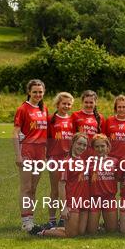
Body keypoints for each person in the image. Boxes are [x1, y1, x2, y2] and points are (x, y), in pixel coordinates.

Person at [30, 133, 90, 237]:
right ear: (72, 143)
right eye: (79, 144)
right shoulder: (66, 162)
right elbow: (61, 185)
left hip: (83, 202)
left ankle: (54, 228)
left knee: (81, 232)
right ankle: (41, 232)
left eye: (84, 145)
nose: (82, 147)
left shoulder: (82, 161)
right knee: (71, 234)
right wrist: (64, 207)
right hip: (72, 202)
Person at [13, 79, 48, 231]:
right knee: (26, 188)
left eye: (40, 92)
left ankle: (31, 219)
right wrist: (18, 155)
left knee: (34, 188)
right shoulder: (23, 109)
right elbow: (15, 133)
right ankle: (25, 221)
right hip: (27, 150)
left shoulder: (44, 108)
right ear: (29, 92)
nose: (38, 94)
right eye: (35, 92)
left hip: (40, 152)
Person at [46, 92, 74, 228]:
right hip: (55, 158)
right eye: (64, 103)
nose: (66, 106)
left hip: (68, 159)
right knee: (55, 190)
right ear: (58, 104)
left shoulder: (72, 120)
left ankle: (64, 217)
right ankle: (51, 219)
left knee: (67, 190)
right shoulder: (51, 119)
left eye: (69, 104)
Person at [87, 134, 119, 234]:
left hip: (109, 198)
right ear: (93, 148)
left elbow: (120, 178)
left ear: (107, 146)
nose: (100, 149)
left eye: (102, 146)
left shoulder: (115, 161)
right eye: (97, 146)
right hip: (94, 199)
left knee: (112, 231)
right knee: (91, 232)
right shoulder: (89, 162)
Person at [71, 90, 105, 156]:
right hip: (79, 151)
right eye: (86, 102)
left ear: (95, 103)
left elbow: (102, 138)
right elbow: (72, 136)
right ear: (82, 102)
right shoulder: (75, 115)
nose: (88, 105)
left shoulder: (100, 117)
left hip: (94, 152)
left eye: (91, 102)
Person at [105, 95, 125, 159]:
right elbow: (104, 139)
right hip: (111, 157)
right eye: (119, 107)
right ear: (115, 108)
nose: (121, 109)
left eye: (124, 107)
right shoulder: (109, 121)